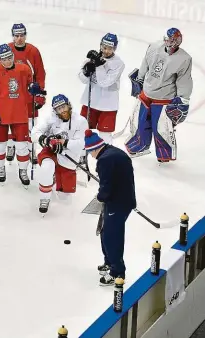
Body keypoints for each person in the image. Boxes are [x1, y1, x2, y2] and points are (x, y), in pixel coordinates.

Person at [125, 27, 193, 163]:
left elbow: (184, 81)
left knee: (161, 128)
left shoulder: (184, 59)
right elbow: (145, 63)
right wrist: (140, 78)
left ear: (179, 41)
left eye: (174, 40)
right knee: (140, 123)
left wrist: (183, 99)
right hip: (147, 93)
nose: (170, 43)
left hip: (164, 99)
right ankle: (139, 146)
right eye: (168, 39)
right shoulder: (154, 47)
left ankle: (164, 154)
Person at [0, 44, 45, 187]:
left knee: (22, 145)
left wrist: (34, 90)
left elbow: (29, 86)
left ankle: (23, 171)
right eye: (4, 58)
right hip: (0, 114)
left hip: (19, 114)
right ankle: (0, 167)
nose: (8, 61)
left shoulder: (24, 69)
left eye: (10, 57)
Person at [84, 130, 136, 286]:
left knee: (112, 237)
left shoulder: (104, 160)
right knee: (105, 232)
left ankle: (117, 272)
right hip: (121, 200)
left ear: (94, 149)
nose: (90, 156)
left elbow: (106, 186)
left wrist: (100, 197)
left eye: (89, 152)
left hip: (118, 203)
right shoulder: (112, 152)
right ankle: (109, 262)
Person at [0, 23, 46, 165]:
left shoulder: (33, 51)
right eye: (16, 35)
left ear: (25, 35)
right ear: (13, 36)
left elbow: (40, 73)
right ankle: (11, 146)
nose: (19, 38)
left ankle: (33, 149)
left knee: (32, 126)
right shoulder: (6, 50)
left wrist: (40, 94)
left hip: (28, 96)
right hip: (10, 96)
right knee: (11, 122)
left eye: (22, 35)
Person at [31, 94, 87, 214]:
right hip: (51, 151)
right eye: (58, 109)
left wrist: (64, 143)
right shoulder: (51, 119)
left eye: (63, 107)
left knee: (65, 198)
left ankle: (56, 176)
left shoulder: (81, 121)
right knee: (47, 167)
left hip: (69, 157)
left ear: (69, 105)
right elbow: (34, 132)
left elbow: (81, 144)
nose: (62, 110)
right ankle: (44, 198)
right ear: (54, 110)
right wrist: (45, 139)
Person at [78, 33, 125, 145]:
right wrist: (86, 71)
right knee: (82, 131)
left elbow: (105, 82)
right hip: (89, 102)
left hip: (108, 105)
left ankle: (106, 159)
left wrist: (99, 66)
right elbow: (83, 79)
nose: (106, 51)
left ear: (115, 48)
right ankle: (80, 156)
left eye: (110, 48)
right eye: (104, 47)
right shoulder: (92, 58)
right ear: (100, 45)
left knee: (105, 136)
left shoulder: (118, 64)